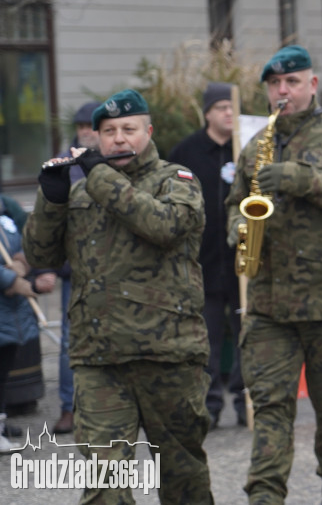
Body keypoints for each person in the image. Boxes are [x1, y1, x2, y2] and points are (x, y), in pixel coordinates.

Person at [23, 89, 214, 502]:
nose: (119, 139)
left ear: (148, 131)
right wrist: (51, 201)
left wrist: (99, 177)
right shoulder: (82, 192)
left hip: (168, 355)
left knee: (184, 481)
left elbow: (164, 226)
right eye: (108, 132)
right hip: (99, 358)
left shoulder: (176, 180)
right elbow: (40, 257)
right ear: (96, 138)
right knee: (104, 485)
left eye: (129, 129)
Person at [225, 45, 322, 505]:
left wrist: (302, 179)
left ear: (312, 84)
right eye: (275, 84)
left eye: (292, 82)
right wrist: (238, 225)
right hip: (270, 306)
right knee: (271, 410)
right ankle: (265, 497)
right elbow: (236, 200)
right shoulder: (256, 144)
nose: (282, 91)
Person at [169, 82, 246, 430]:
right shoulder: (186, 151)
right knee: (206, 342)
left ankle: (247, 403)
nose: (228, 113)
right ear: (207, 113)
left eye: (233, 107)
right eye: (221, 108)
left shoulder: (248, 147)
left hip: (243, 266)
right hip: (201, 265)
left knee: (247, 337)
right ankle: (209, 405)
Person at [49, 99, 101, 435]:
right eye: (81, 128)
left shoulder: (113, 162)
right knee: (71, 339)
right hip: (75, 266)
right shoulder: (66, 165)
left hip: (112, 266)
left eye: (90, 128)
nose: (85, 133)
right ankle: (69, 407)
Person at [1, 198, 47, 453]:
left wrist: (22, 262)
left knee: (4, 369)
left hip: (11, 313)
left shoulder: (8, 208)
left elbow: (31, 238)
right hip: (5, 301)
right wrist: (10, 280)